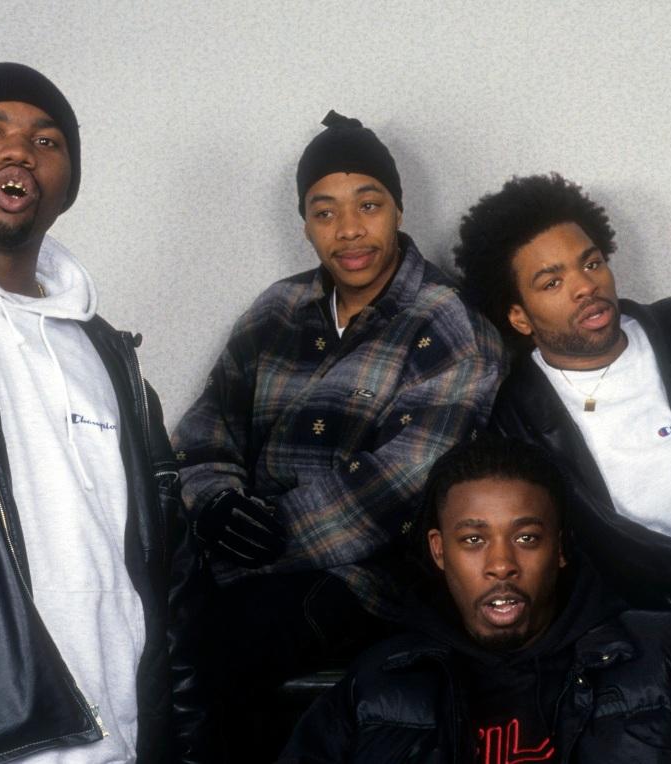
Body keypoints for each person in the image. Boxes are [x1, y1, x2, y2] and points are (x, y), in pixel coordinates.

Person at [170, 111, 504, 760]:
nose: (348, 230)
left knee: (227, 640)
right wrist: (213, 500)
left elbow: (401, 485)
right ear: (305, 223)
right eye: (324, 212)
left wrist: (261, 535)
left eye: (368, 205)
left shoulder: (451, 322)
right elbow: (208, 425)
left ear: (399, 210)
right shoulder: (277, 310)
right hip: (236, 560)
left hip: (366, 579)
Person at [0, 63, 179, 762]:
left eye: (47, 140)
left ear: (66, 186)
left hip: (117, 731)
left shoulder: (105, 351)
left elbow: (157, 562)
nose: (17, 150)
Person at [280, 435, 671, 762]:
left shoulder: (666, 657)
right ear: (440, 552)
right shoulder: (378, 683)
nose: (501, 564)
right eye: (474, 541)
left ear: (559, 548)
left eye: (525, 537)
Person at [453, 172, 671, 614]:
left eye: (590, 263)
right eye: (552, 282)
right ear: (519, 317)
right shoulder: (515, 422)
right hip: (669, 612)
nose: (586, 287)